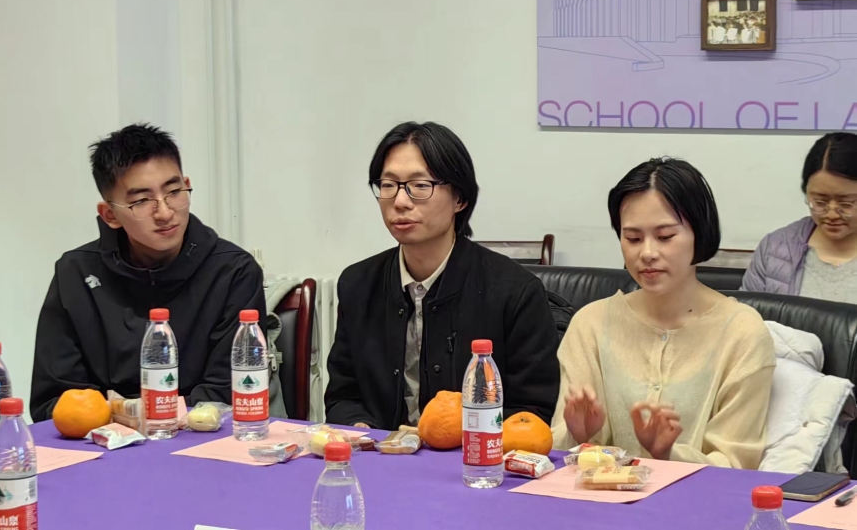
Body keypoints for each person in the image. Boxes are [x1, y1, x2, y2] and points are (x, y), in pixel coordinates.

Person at [325, 121, 559, 430]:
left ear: (459, 199)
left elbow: (531, 411)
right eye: (388, 184)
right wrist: (361, 431)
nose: (400, 201)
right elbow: (343, 396)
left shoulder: (516, 292)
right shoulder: (358, 284)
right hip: (379, 454)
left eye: (420, 185)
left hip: (473, 456)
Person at [30, 124, 266, 421]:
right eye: (141, 201)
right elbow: (54, 400)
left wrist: (141, 416)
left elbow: (231, 394)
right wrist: (120, 421)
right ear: (110, 214)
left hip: (200, 436)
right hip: (101, 439)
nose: (165, 212)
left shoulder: (232, 271)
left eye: (174, 192)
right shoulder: (76, 273)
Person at [552, 158, 775, 469]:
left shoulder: (742, 332)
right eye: (632, 238)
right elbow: (560, 451)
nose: (647, 253)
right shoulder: (590, 324)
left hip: (698, 499)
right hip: (598, 496)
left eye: (665, 236)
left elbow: (737, 463)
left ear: (700, 233)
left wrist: (669, 455)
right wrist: (579, 435)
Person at [742, 133, 857, 304]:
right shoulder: (775, 249)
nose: (831, 214)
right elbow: (746, 314)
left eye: (846, 203)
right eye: (820, 201)